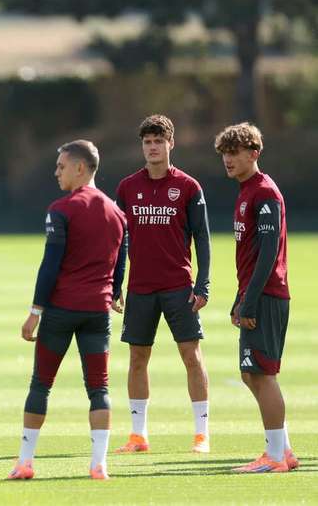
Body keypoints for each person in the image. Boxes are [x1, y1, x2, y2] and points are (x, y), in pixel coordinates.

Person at [8, 140, 126, 481]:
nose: (56, 172)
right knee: (99, 389)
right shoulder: (117, 211)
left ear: (80, 167)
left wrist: (35, 311)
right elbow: (121, 259)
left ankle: (25, 462)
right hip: (97, 312)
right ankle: (99, 464)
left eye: (61, 166)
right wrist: (115, 291)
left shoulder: (61, 209)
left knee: (41, 384)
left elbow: (50, 265)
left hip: (61, 310)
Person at [114, 115, 212, 454]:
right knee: (137, 358)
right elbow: (118, 240)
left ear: (171, 143)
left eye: (158, 141)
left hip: (178, 286)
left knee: (191, 356)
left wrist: (203, 284)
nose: (153, 147)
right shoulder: (128, 187)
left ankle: (202, 434)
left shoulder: (188, 187)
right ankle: (138, 435)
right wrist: (115, 285)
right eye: (147, 142)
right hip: (140, 288)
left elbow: (202, 237)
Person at [215, 122, 299, 473]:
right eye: (225, 154)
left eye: (235, 153)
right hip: (255, 293)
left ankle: (276, 456)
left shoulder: (264, 192)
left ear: (254, 154)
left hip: (266, 296)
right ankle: (285, 450)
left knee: (263, 375)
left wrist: (249, 301)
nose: (229, 160)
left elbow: (267, 255)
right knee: (252, 374)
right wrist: (240, 297)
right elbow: (250, 257)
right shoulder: (246, 191)